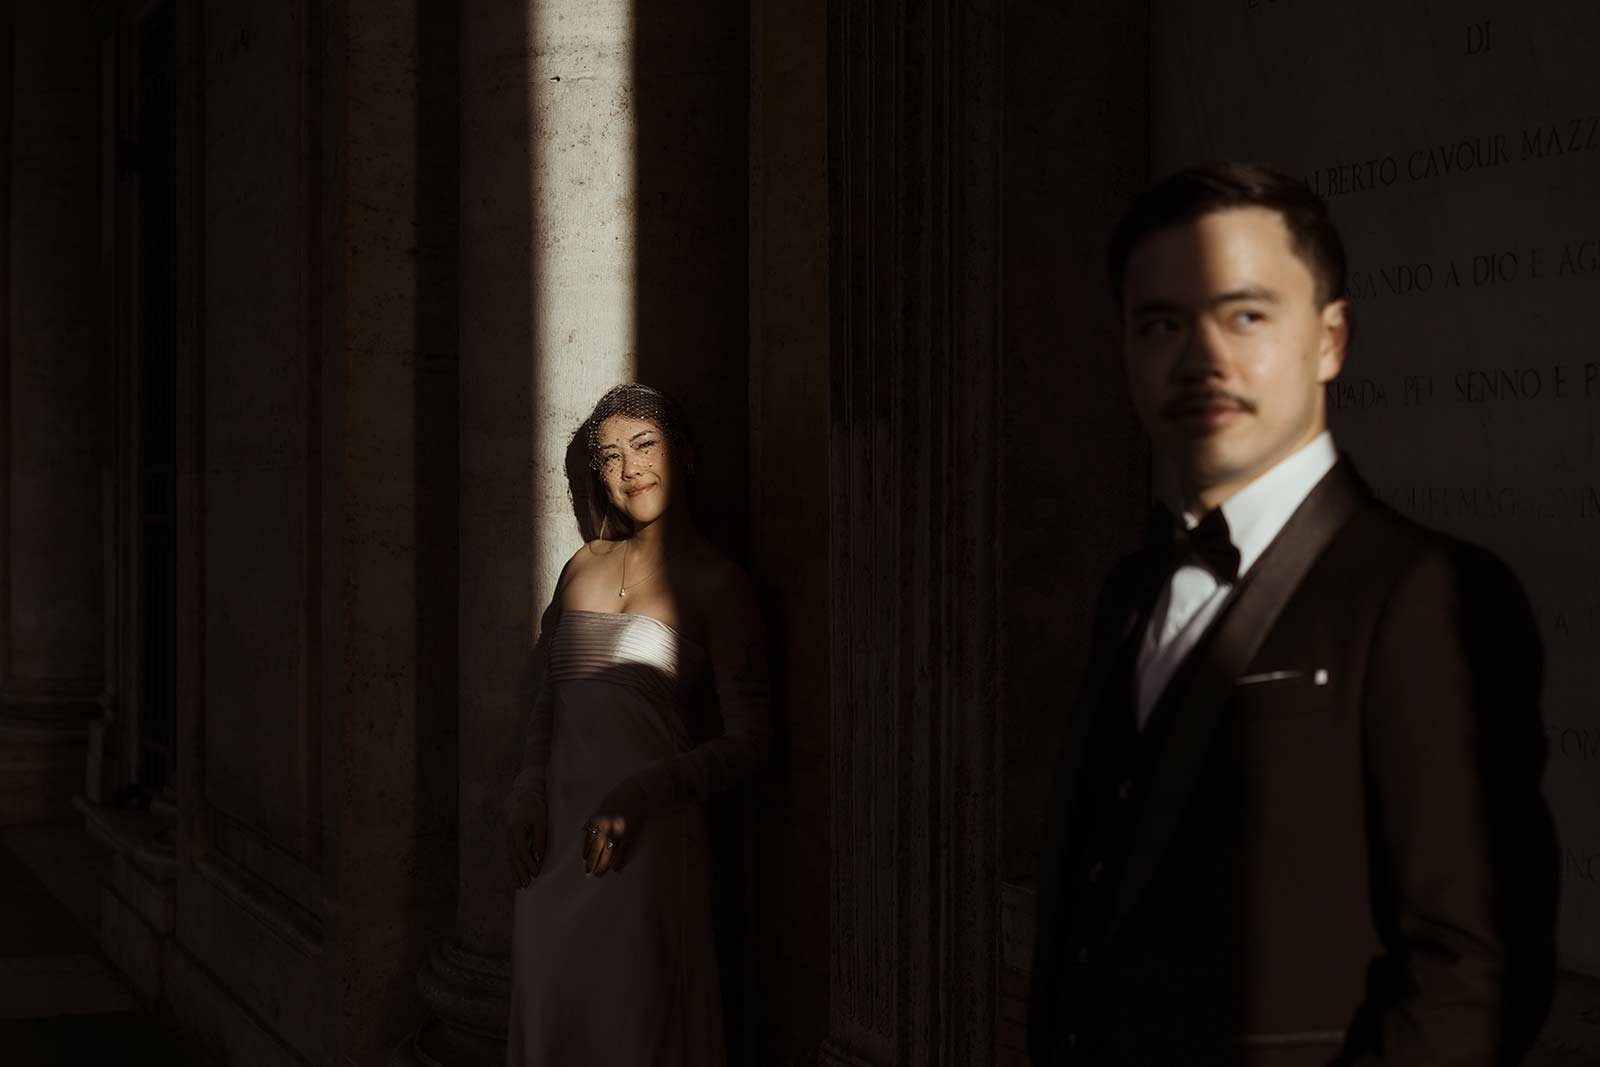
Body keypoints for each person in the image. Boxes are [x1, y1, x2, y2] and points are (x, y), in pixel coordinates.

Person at [1027, 163, 1558, 1065]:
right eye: (1161, 323)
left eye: (1245, 315)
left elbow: (1472, 971)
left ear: (1331, 339)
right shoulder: (1128, 591)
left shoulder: (1428, 592)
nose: (1202, 360)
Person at [503, 383, 771, 1066]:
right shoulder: (582, 567)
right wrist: (529, 789)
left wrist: (636, 796)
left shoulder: (719, 584)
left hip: (648, 844)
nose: (629, 470)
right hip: (555, 845)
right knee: (552, 1018)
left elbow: (750, 741)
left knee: (636, 1031)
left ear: (683, 453)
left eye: (643, 445)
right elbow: (548, 701)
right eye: (609, 457)